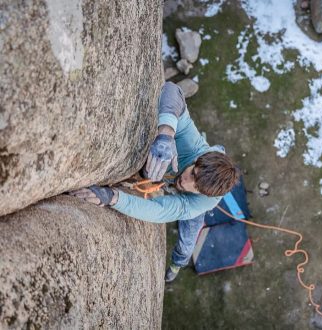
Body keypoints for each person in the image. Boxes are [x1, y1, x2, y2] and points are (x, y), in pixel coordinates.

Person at [70, 82, 240, 282]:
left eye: (195, 187)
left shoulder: (200, 202)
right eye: (193, 173)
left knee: (187, 243)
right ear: (197, 161)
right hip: (193, 158)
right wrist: (166, 136)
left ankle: (177, 265)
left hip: (193, 206)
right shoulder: (195, 148)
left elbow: (158, 210)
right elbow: (172, 90)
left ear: (203, 194)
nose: (185, 183)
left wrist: (112, 198)